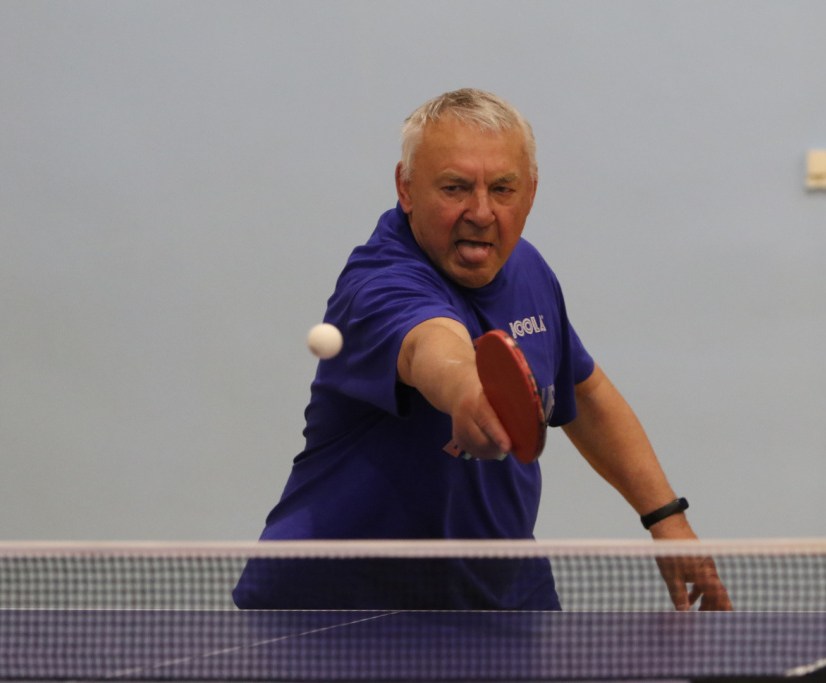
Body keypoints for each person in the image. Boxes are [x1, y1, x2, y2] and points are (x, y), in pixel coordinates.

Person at [233, 88, 731, 612]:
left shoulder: (528, 270)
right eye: (455, 188)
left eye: (503, 189)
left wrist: (666, 518)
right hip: (340, 607)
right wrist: (469, 392)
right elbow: (431, 348)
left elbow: (586, 392)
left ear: (531, 193)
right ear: (405, 188)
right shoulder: (378, 285)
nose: (481, 211)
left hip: (498, 594)